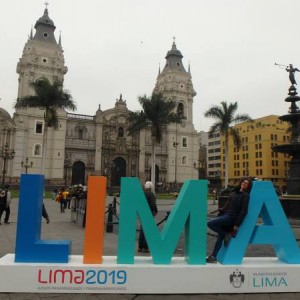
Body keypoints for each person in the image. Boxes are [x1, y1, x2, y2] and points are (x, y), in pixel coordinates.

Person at [206, 177, 252, 263]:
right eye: (243, 182)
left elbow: (243, 211)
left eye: (247, 184)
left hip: (231, 218)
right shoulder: (234, 192)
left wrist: (237, 224)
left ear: (248, 186)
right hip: (226, 214)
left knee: (210, 223)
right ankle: (213, 257)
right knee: (219, 239)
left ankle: (225, 235)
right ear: (241, 182)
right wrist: (222, 209)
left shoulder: (245, 195)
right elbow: (228, 203)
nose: (244, 184)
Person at [138, 181, 158, 253]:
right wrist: (155, 210)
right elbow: (153, 205)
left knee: (142, 230)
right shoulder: (151, 195)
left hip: (142, 213)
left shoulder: (141, 194)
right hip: (149, 213)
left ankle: (140, 246)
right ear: (151, 187)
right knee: (147, 231)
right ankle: (145, 247)